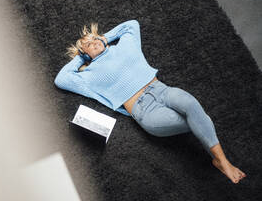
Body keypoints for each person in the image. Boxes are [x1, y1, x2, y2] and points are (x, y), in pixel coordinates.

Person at [54, 19, 247, 184]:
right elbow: (61, 79)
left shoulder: (125, 46)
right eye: (89, 44)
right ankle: (218, 157)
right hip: (145, 110)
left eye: (96, 38)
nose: (94, 42)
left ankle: (222, 161)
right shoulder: (87, 75)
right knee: (196, 118)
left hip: (162, 90)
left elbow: (131, 25)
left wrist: (105, 38)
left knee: (191, 105)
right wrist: (81, 57)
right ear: (85, 54)